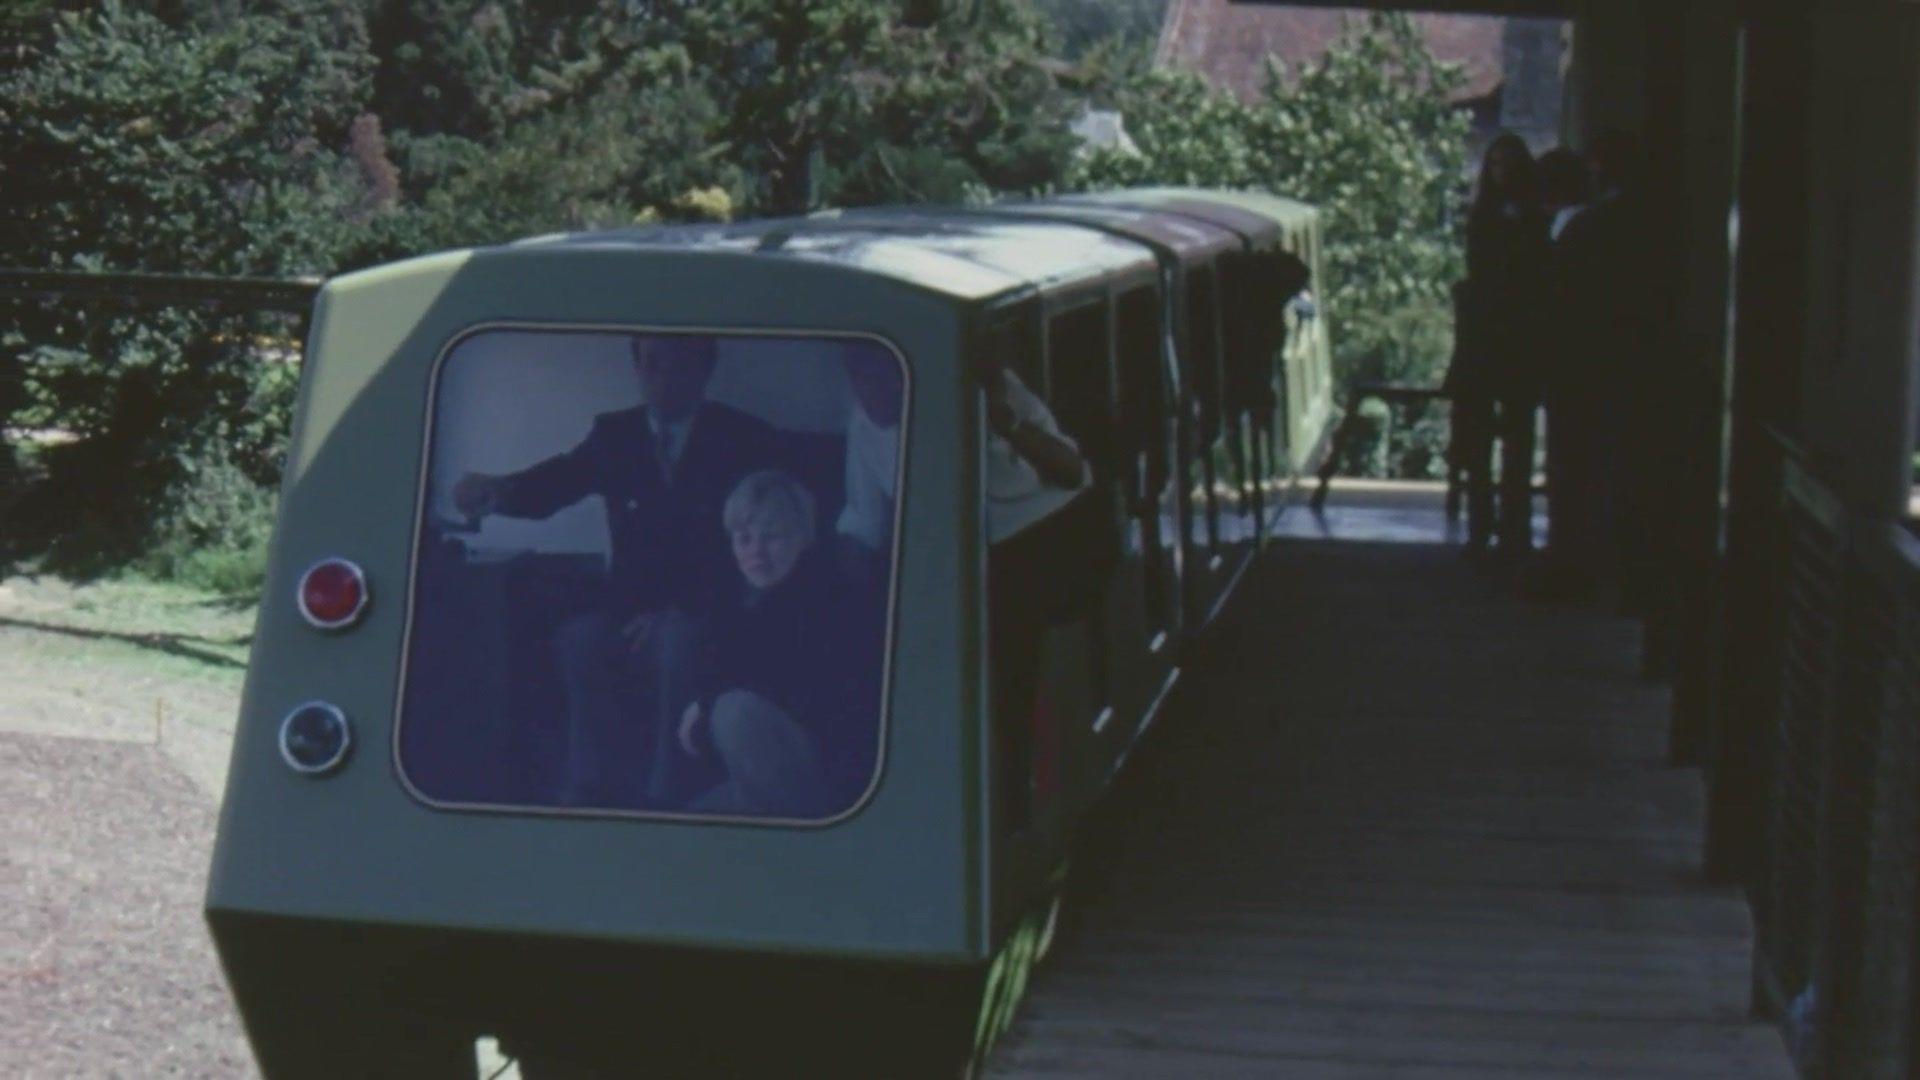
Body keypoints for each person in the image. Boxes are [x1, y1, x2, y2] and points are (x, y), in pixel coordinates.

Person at [451, 334, 779, 807]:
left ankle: (670, 791)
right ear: (638, 370)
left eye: (680, 368)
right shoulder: (615, 434)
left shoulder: (742, 437)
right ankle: (591, 786)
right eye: (653, 367)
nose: (665, 382)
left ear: (705, 371)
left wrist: (678, 611)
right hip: (627, 607)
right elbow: (557, 483)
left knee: (676, 646)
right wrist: (497, 490)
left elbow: (753, 552)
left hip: (708, 609)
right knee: (578, 640)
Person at [673, 471, 883, 817]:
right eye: (743, 539)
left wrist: (706, 706)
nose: (756, 552)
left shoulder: (830, 600)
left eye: (773, 538)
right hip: (755, 775)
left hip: (828, 780)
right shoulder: (733, 603)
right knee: (681, 826)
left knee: (733, 710)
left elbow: (797, 695)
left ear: (804, 537)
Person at [1448, 132, 1552, 562]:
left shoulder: (1526, 219)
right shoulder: (1491, 218)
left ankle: (1511, 523)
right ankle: (1484, 521)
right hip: (1492, 339)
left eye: (1508, 166)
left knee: (1516, 438)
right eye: (1496, 166)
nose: (1502, 174)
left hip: (1514, 338)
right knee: (1484, 439)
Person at [1529, 146, 1608, 599]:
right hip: (1590, 362)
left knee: (1569, 460)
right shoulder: (1593, 225)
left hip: (1571, 363)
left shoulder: (1569, 229)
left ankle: (1569, 556)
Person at [834, 342, 905, 563]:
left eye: (879, 375)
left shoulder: (938, 416)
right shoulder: (861, 421)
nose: (867, 387)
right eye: (858, 376)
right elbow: (865, 514)